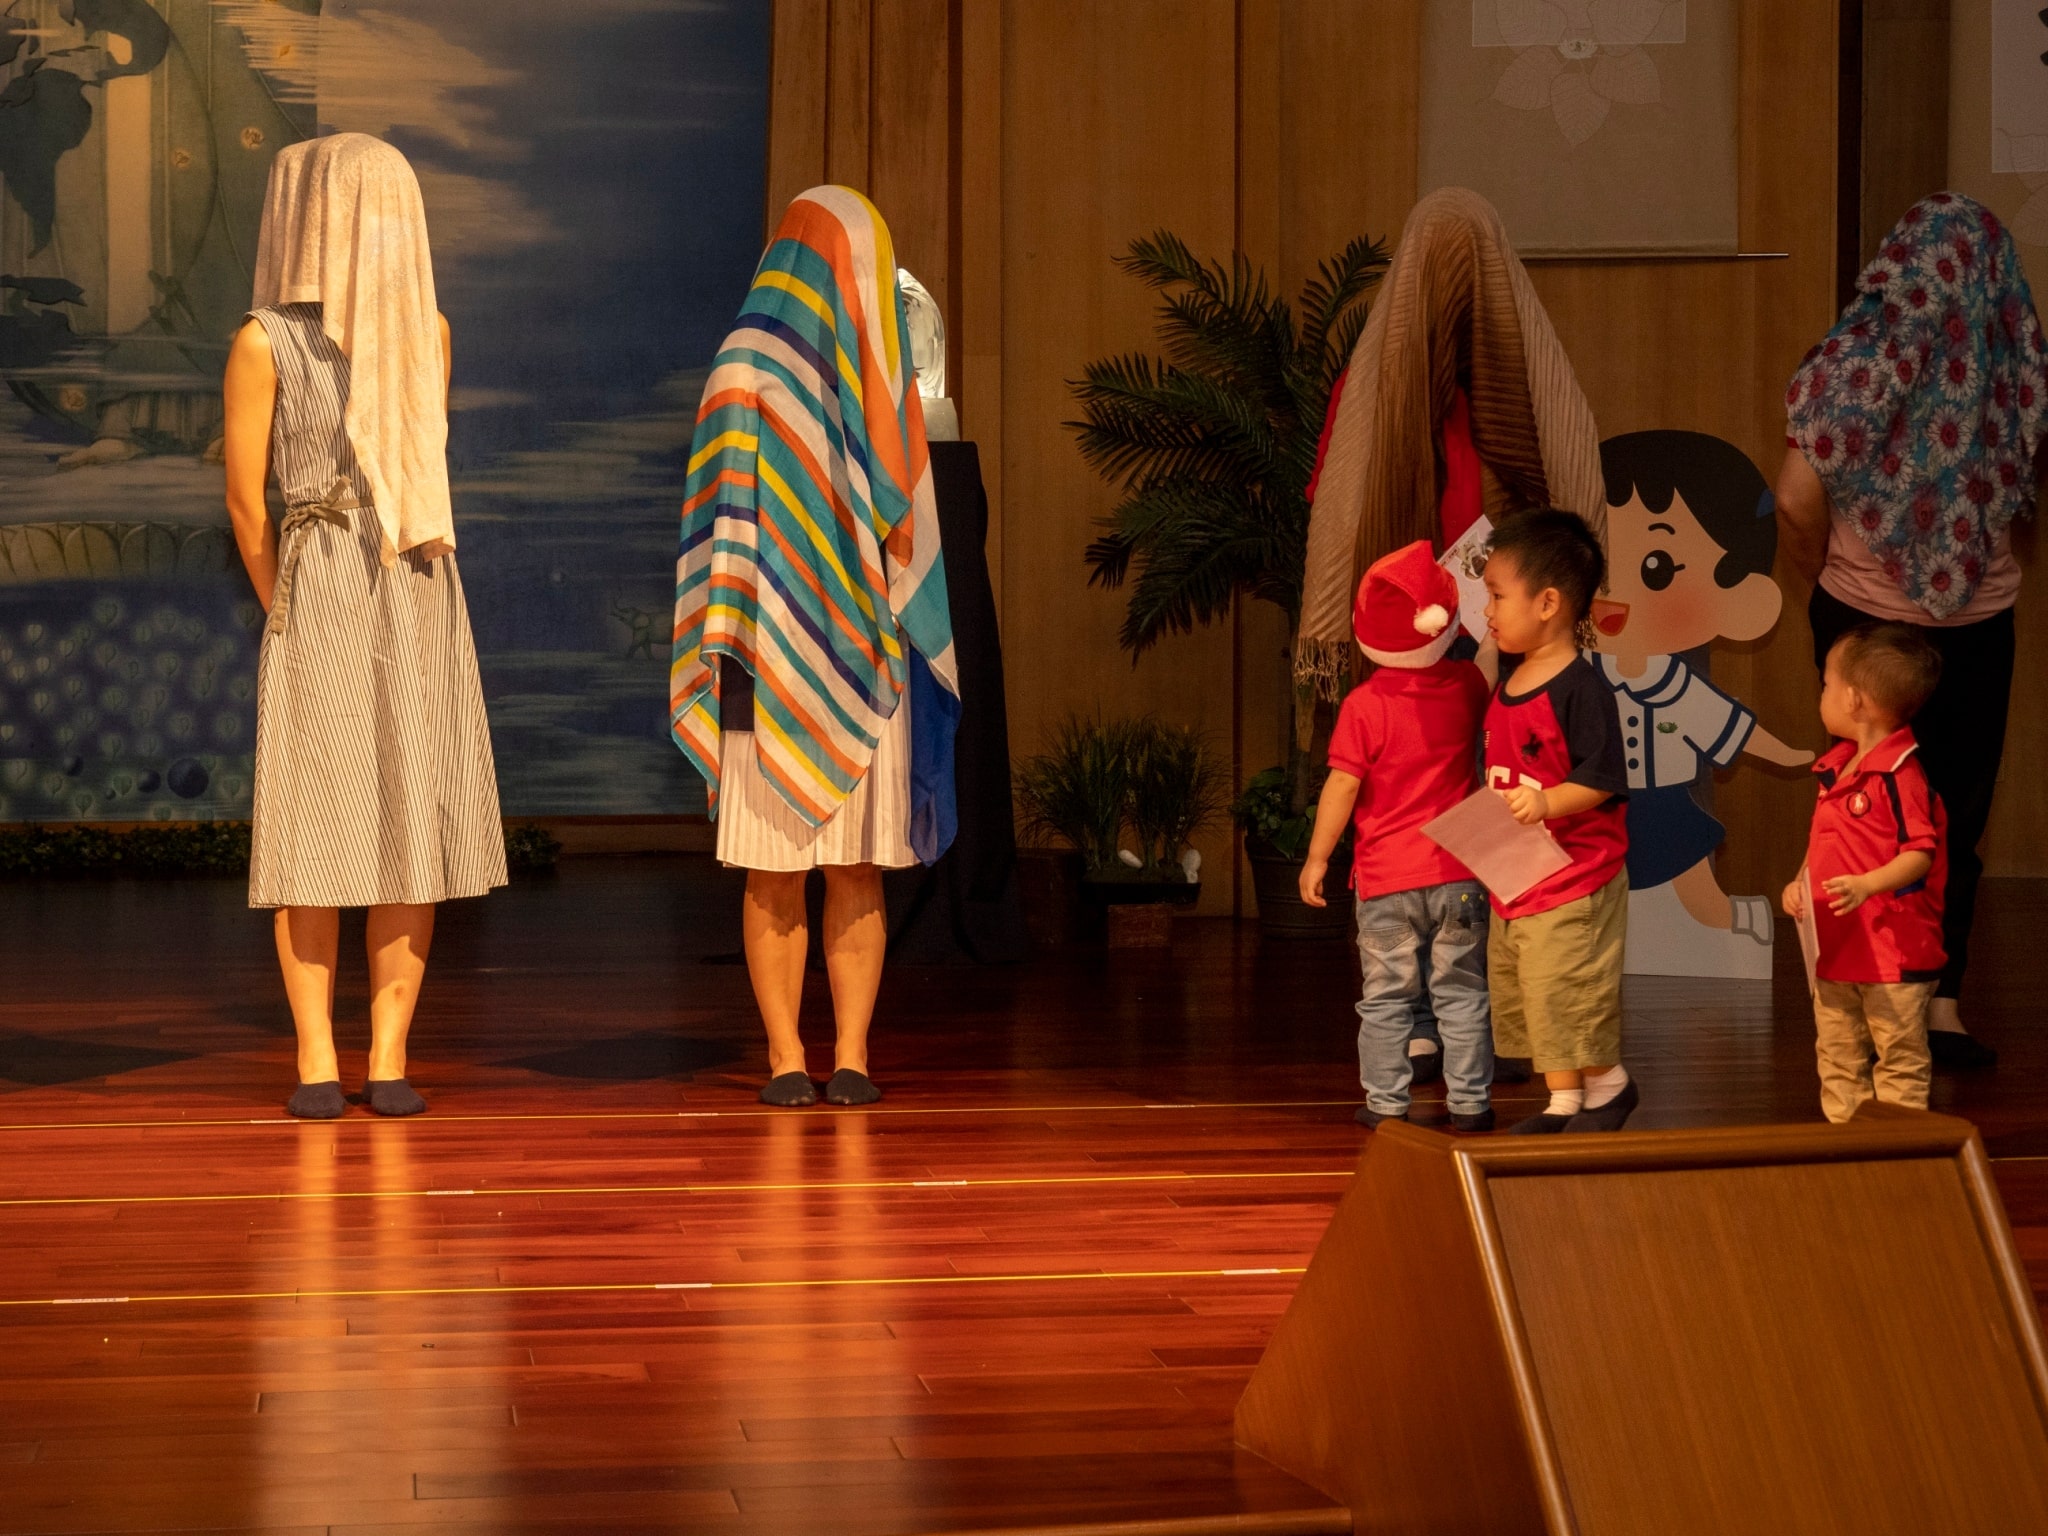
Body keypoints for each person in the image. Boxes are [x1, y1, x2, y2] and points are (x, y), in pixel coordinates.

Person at [221, 134, 507, 1120]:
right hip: (321, 573)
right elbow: (248, 505)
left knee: (405, 816)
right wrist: (288, 609)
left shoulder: (425, 330)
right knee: (314, 822)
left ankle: (387, 1053)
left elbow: (420, 461)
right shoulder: (265, 340)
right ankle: (314, 1056)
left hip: (415, 579)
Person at [670, 187, 961, 1109]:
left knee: (831, 867)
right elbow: (722, 524)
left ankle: (832, 1055)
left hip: (828, 653)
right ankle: (803, 1054)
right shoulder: (760, 369)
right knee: (800, 868)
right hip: (798, 654)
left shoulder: (808, 368)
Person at [1776, 192, 2045, 1072]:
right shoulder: (2017, 364)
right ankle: (1940, 1006)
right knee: (1949, 821)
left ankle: (1853, 997)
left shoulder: (1851, 361)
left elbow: (1793, 496)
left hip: (1862, 619)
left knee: (1861, 816)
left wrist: (1824, 580)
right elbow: (2028, 500)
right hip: (1978, 626)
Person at [1591, 431, 1813, 967]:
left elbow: (1727, 725)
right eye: (1599, 568)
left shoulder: (1672, 682)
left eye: (1656, 569)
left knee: (1691, 875)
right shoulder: (1577, 672)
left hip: (1666, 797)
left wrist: (1787, 753)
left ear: (1740, 601)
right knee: (1598, 885)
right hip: (1594, 808)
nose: (1616, 595)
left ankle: (1724, 927)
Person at [1299, 542, 1494, 1132]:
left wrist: (1316, 859)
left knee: (1387, 999)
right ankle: (1470, 1104)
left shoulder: (1363, 706)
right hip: (1461, 876)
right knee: (1463, 994)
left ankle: (1386, 1105)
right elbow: (1488, 666)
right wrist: (1487, 626)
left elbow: (1340, 787)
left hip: (1386, 882)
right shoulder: (1464, 688)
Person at [1479, 510, 1636, 1133]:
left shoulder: (1583, 689)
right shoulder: (1511, 677)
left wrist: (1547, 803)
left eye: (1496, 595)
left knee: (1562, 986)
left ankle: (1566, 1104)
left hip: (1575, 876)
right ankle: (1606, 1088)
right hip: (1518, 875)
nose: (1487, 610)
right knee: (1529, 990)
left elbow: (1601, 779)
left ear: (1548, 603)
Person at [1781, 624, 1946, 1123]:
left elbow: (1921, 853)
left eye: (1826, 684)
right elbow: (1825, 843)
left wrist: (1868, 885)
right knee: (1837, 1054)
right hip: (1837, 947)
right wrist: (1800, 882)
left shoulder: (1901, 776)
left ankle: (1898, 1151)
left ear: (1854, 700)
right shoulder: (1838, 768)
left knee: (1898, 1059)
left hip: (1891, 955)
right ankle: (1847, 1145)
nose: (1822, 694)